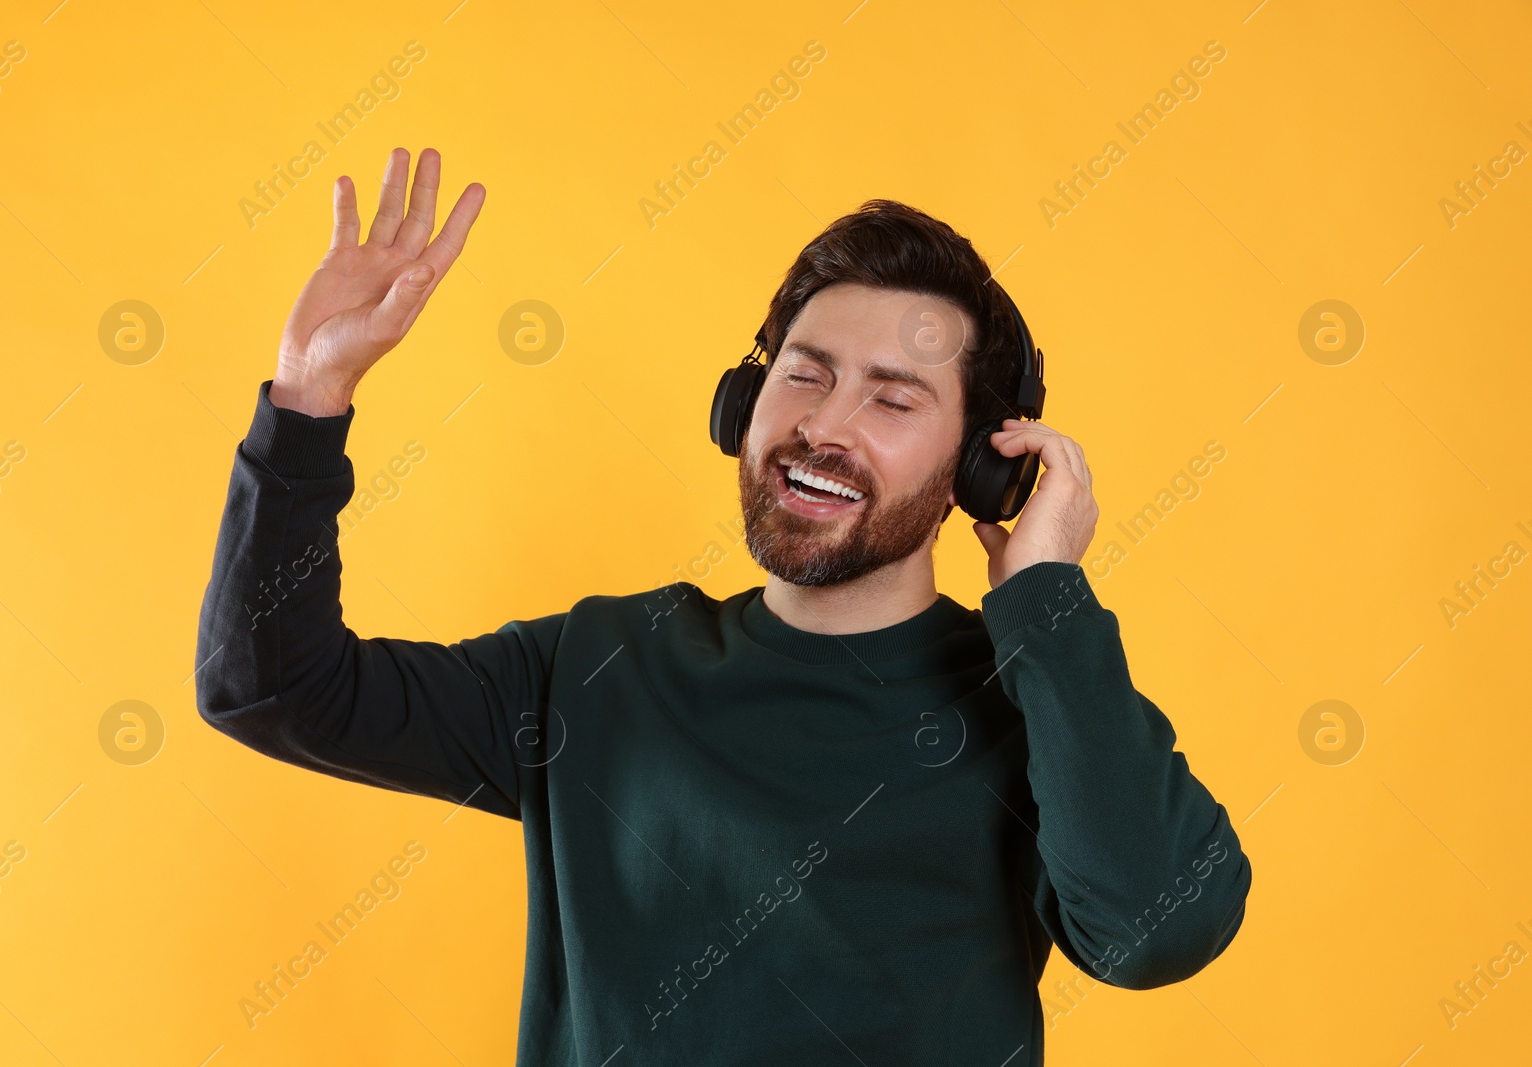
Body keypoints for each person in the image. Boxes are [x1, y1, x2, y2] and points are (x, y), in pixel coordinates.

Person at [195, 146, 1251, 1065]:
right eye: (804, 375)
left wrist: (1048, 600)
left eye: (891, 398)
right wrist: (307, 394)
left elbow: (1155, 931)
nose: (823, 425)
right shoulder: (603, 664)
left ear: (980, 467)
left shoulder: (1033, 695)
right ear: (742, 404)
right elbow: (270, 684)